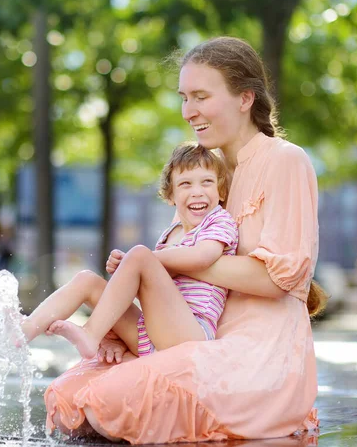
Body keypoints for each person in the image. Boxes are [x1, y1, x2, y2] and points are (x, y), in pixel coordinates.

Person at [43, 37, 327, 444]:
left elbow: (275, 280)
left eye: (201, 96)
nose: (188, 111)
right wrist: (127, 331)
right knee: (71, 394)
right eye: (184, 97)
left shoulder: (286, 161)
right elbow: (179, 282)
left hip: (259, 354)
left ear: (245, 98)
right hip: (195, 333)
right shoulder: (203, 170)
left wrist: (166, 260)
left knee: (119, 399)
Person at [18, 142, 238, 361]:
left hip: (191, 334)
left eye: (206, 182)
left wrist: (141, 260)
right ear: (171, 196)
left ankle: (91, 333)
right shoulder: (172, 233)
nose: (197, 192)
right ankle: (26, 330)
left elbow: (202, 257)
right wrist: (130, 268)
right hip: (152, 333)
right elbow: (152, 288)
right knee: (87, 281)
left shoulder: (218, 220)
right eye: (186, 184)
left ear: (221, 191)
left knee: (140, 254)